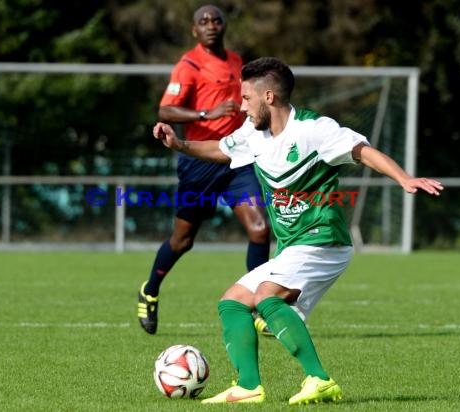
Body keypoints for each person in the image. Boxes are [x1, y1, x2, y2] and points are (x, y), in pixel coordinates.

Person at [152, 57, 444, 405]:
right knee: (232, 301)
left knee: (267, 295)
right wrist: (180, 145)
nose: (241, 106)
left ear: (269, 97)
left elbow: (363, 152)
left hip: (324, 240)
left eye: (246, 98)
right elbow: (222, 149)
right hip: (294, 246)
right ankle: (248, 387)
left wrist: (404, 179)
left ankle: (320, 379)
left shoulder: (313, 130)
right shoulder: (253, 133)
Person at [137, 5, 271, 336]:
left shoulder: (239, 63)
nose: (210, 25)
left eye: (216, 20)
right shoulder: (189, 65)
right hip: (199, 161)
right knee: (182, 241)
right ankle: (150, 289)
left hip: (237, 159)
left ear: (225, 25)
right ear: (194, 30)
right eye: (203, 21)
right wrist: (205, 115)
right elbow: (165, 110)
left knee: (259, 229)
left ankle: (257, 306)